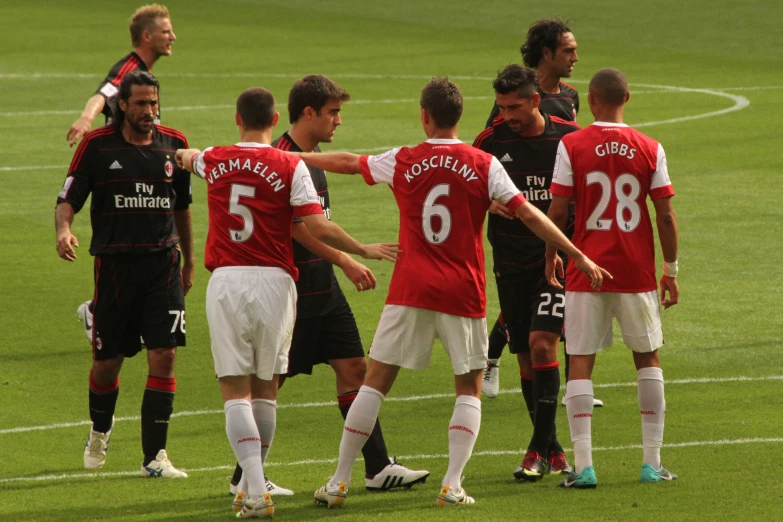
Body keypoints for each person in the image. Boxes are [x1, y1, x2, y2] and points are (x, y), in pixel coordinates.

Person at [289, 77, 609, 509]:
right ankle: (452, 484)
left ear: (424, 115)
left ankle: (340, 479)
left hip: (410, 288)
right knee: (468, 388)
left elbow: (349, 162)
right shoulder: (484, 163)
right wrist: (576, 254)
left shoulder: (404, 159)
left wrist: (287, 155)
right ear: (460, 116)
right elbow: (532, 215)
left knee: (375, 383)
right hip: (462, 290)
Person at [175, 87, 399, 519]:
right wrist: (362, 249)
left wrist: (180, 155)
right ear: (275, 119)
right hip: (277, 284)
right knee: (265, 391)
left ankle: (255, 491)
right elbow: (316, 225)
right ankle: (255, 489)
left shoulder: (216, 159)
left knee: (234, 391)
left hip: (228, 282)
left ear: (237, 118)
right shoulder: (289, 163)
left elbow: (189, 157)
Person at [228, 75, 429, 504]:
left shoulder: (314, 157)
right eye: (333, 112)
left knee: (355, 368)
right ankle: (245, 476)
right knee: (269, 383)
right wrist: (350, 256)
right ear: (308, 113)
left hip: (324, 291)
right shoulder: (280, 158)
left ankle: (377, 468)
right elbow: (296, 228)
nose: (339, 120)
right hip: (291, 292)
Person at [55, 70, 193, 478]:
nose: (149, 111)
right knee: (107, 365)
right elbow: (68, 199)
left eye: (154, 103)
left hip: (163, 265)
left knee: (164, 355)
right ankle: (100, 428)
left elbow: (182, 207)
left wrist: (187, 259)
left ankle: (155, 457)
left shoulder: (175, 145)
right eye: (140, 104)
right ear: (121, 107)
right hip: (114, 268)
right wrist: (64, 230)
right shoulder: (97, 147)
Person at [546, 68, 679, 489]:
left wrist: (552, 254)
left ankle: (584, 466)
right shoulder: (650, 148)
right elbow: (665, 214)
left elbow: (559, 210)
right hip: (636, 271)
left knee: (581, 360)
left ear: (591, 99)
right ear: (628, 97)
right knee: (647, 358)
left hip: (587, 270)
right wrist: (670, 270)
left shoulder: (572, 143)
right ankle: (651, 463)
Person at [482, 19, 599, 409]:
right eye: (568, 50)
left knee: (555, 312)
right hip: (514, 240)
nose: (575, 58)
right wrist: (488, 200)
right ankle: (493, 357)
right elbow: (482, 167)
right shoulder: (509, 108)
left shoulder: (568, 99)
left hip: (557, 229)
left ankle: (572, 386)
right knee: (530, 323)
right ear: (546, 53)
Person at [473, 64, 579, 481]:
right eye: (501, 107)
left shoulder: (569, 138)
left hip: (554, 262)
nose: (507, 116)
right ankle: (551, 450)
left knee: (541, 346)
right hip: (509, 262)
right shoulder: (492, 139)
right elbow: (467, 181)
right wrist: (486, 201)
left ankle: (535, 449)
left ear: (536, 100)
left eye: (514, 107)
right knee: (524, 359)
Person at [69, 4, 177, 342]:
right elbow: (103, 94)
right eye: (166, 31)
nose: (173, 36)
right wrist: (87, 118)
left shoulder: (142, 72)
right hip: (117, 164)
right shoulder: (130, 69)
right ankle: (97, 311)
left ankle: (105, 310)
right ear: (147, 36)